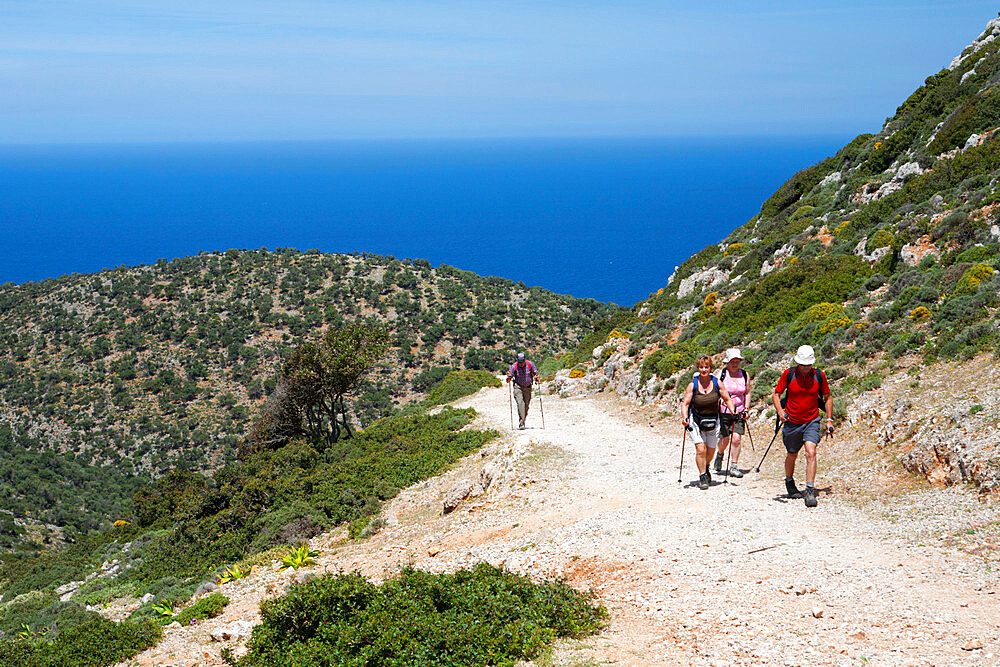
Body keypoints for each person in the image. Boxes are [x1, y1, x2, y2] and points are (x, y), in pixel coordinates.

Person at [772, 344, 833, 508]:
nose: (805, 368)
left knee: (811, 452)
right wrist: (780, 412)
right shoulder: (789, 374)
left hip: (811, 421)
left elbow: (827, 397)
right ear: (798, 363)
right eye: (803, 365)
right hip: (792, 422)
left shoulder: (819, 376)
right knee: (792, 454)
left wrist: (829, 420)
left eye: (808, 365)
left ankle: (809, 490)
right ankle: (789, 481)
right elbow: (776, 394)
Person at [680, 355, 736, 489]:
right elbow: (685, 403)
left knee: (710, 451)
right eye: (701, 367)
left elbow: (727, 399)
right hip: (696, 421)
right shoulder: (692, 385)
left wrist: (733, 412)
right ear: (698, 368)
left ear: (710, 368)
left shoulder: (717, 383)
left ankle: (705, 465)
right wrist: (684, 417)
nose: (704, 370)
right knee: (701, 449)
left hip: (713, 420)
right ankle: (702, 476)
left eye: (706, 367)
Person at [715, 348, 751, 479]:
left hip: (739, 411)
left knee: (736, 439)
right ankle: (719, 454)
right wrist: (722, 401)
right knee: (724, 440)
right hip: (724, 412)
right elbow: (716, 392)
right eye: (732, 361)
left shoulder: (745, 375)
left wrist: (746, 409)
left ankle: (734, 466)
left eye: (737, 361)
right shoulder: (721, 374)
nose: (735, 364)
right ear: (727, 362)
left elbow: (747, 393)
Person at [506, 352, 538, 430]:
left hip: (527, 387)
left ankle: (523, 420)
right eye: (519, 362)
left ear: (524, 360)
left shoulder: (530, 364)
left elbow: (535, 373)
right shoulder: (514, 366)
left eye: (522, 362)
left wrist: (537, 377)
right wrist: (509, 377)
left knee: (526, 405)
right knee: (520, 403)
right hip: (518, 387)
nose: (521, 364)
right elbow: (509, 379)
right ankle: (521, 424)